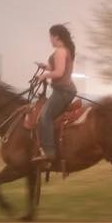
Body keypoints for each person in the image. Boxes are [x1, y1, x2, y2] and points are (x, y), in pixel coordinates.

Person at [31, 24, 77, 163]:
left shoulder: (60, 51)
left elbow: (59, 72)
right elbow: (55, 68)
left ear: (56, 36)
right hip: (64, 90)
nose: (49, 40)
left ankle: (49, 152)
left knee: (44, 117)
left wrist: (44, 76)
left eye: (50, 37)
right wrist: (45, 67)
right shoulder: (64, 51)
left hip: (62, 91)